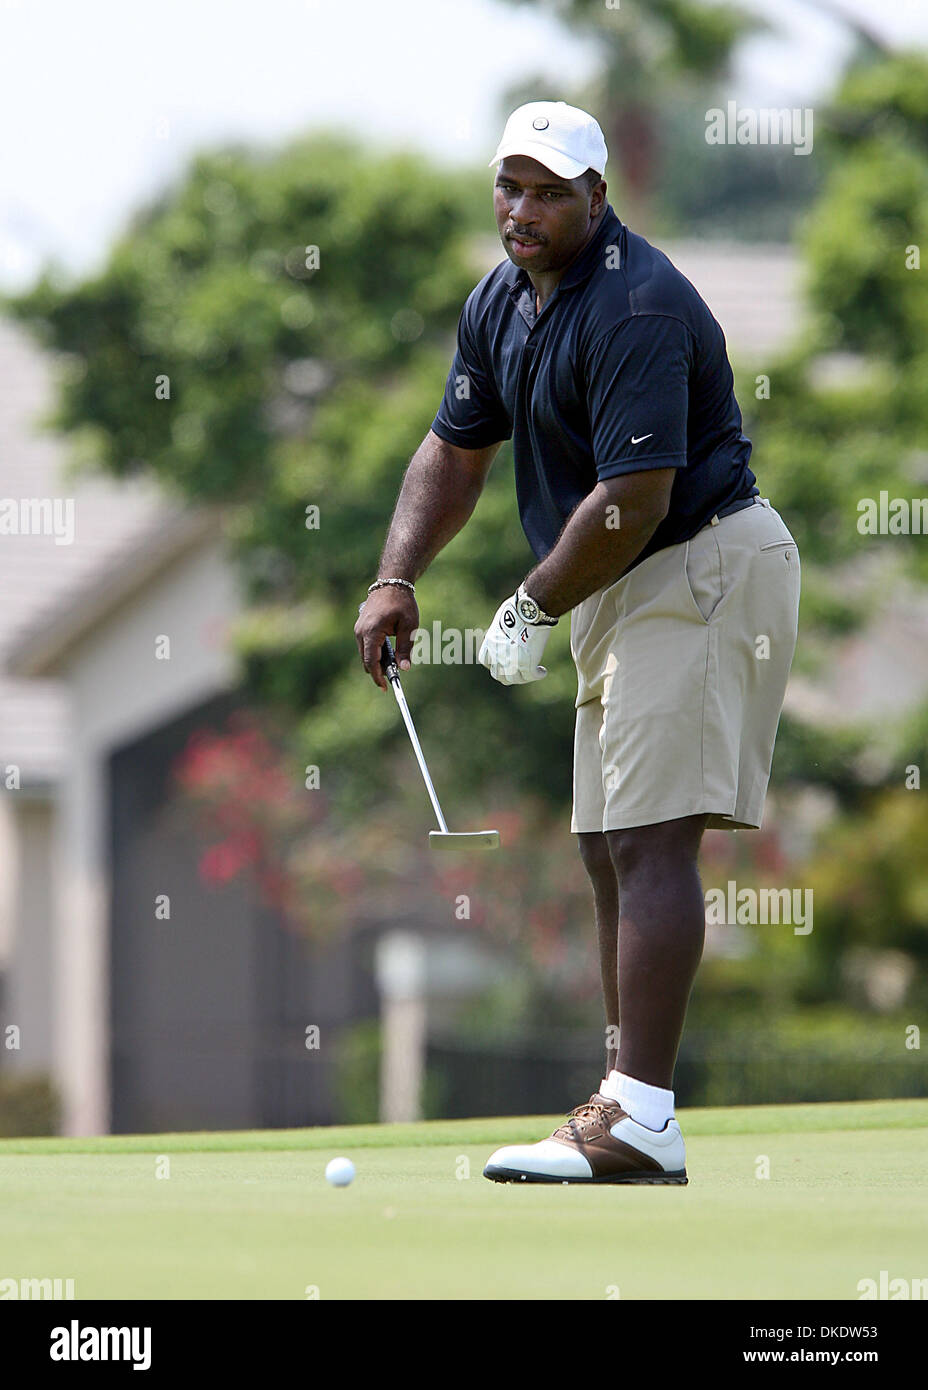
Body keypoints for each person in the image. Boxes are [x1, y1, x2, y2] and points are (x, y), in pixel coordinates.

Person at [355, 101, 801, 1184]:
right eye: (510, 186)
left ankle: (641, 1116)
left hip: (695, 564)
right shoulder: (499, 301)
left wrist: (526, 608)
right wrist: (395, 575)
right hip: (617, 581)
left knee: (651, 841)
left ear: (597, 198)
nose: (523, 209)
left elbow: (636, 499)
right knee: (607, 847)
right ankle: (622, 1106)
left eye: (550, 190)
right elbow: (453, 454)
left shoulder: (635, 305)